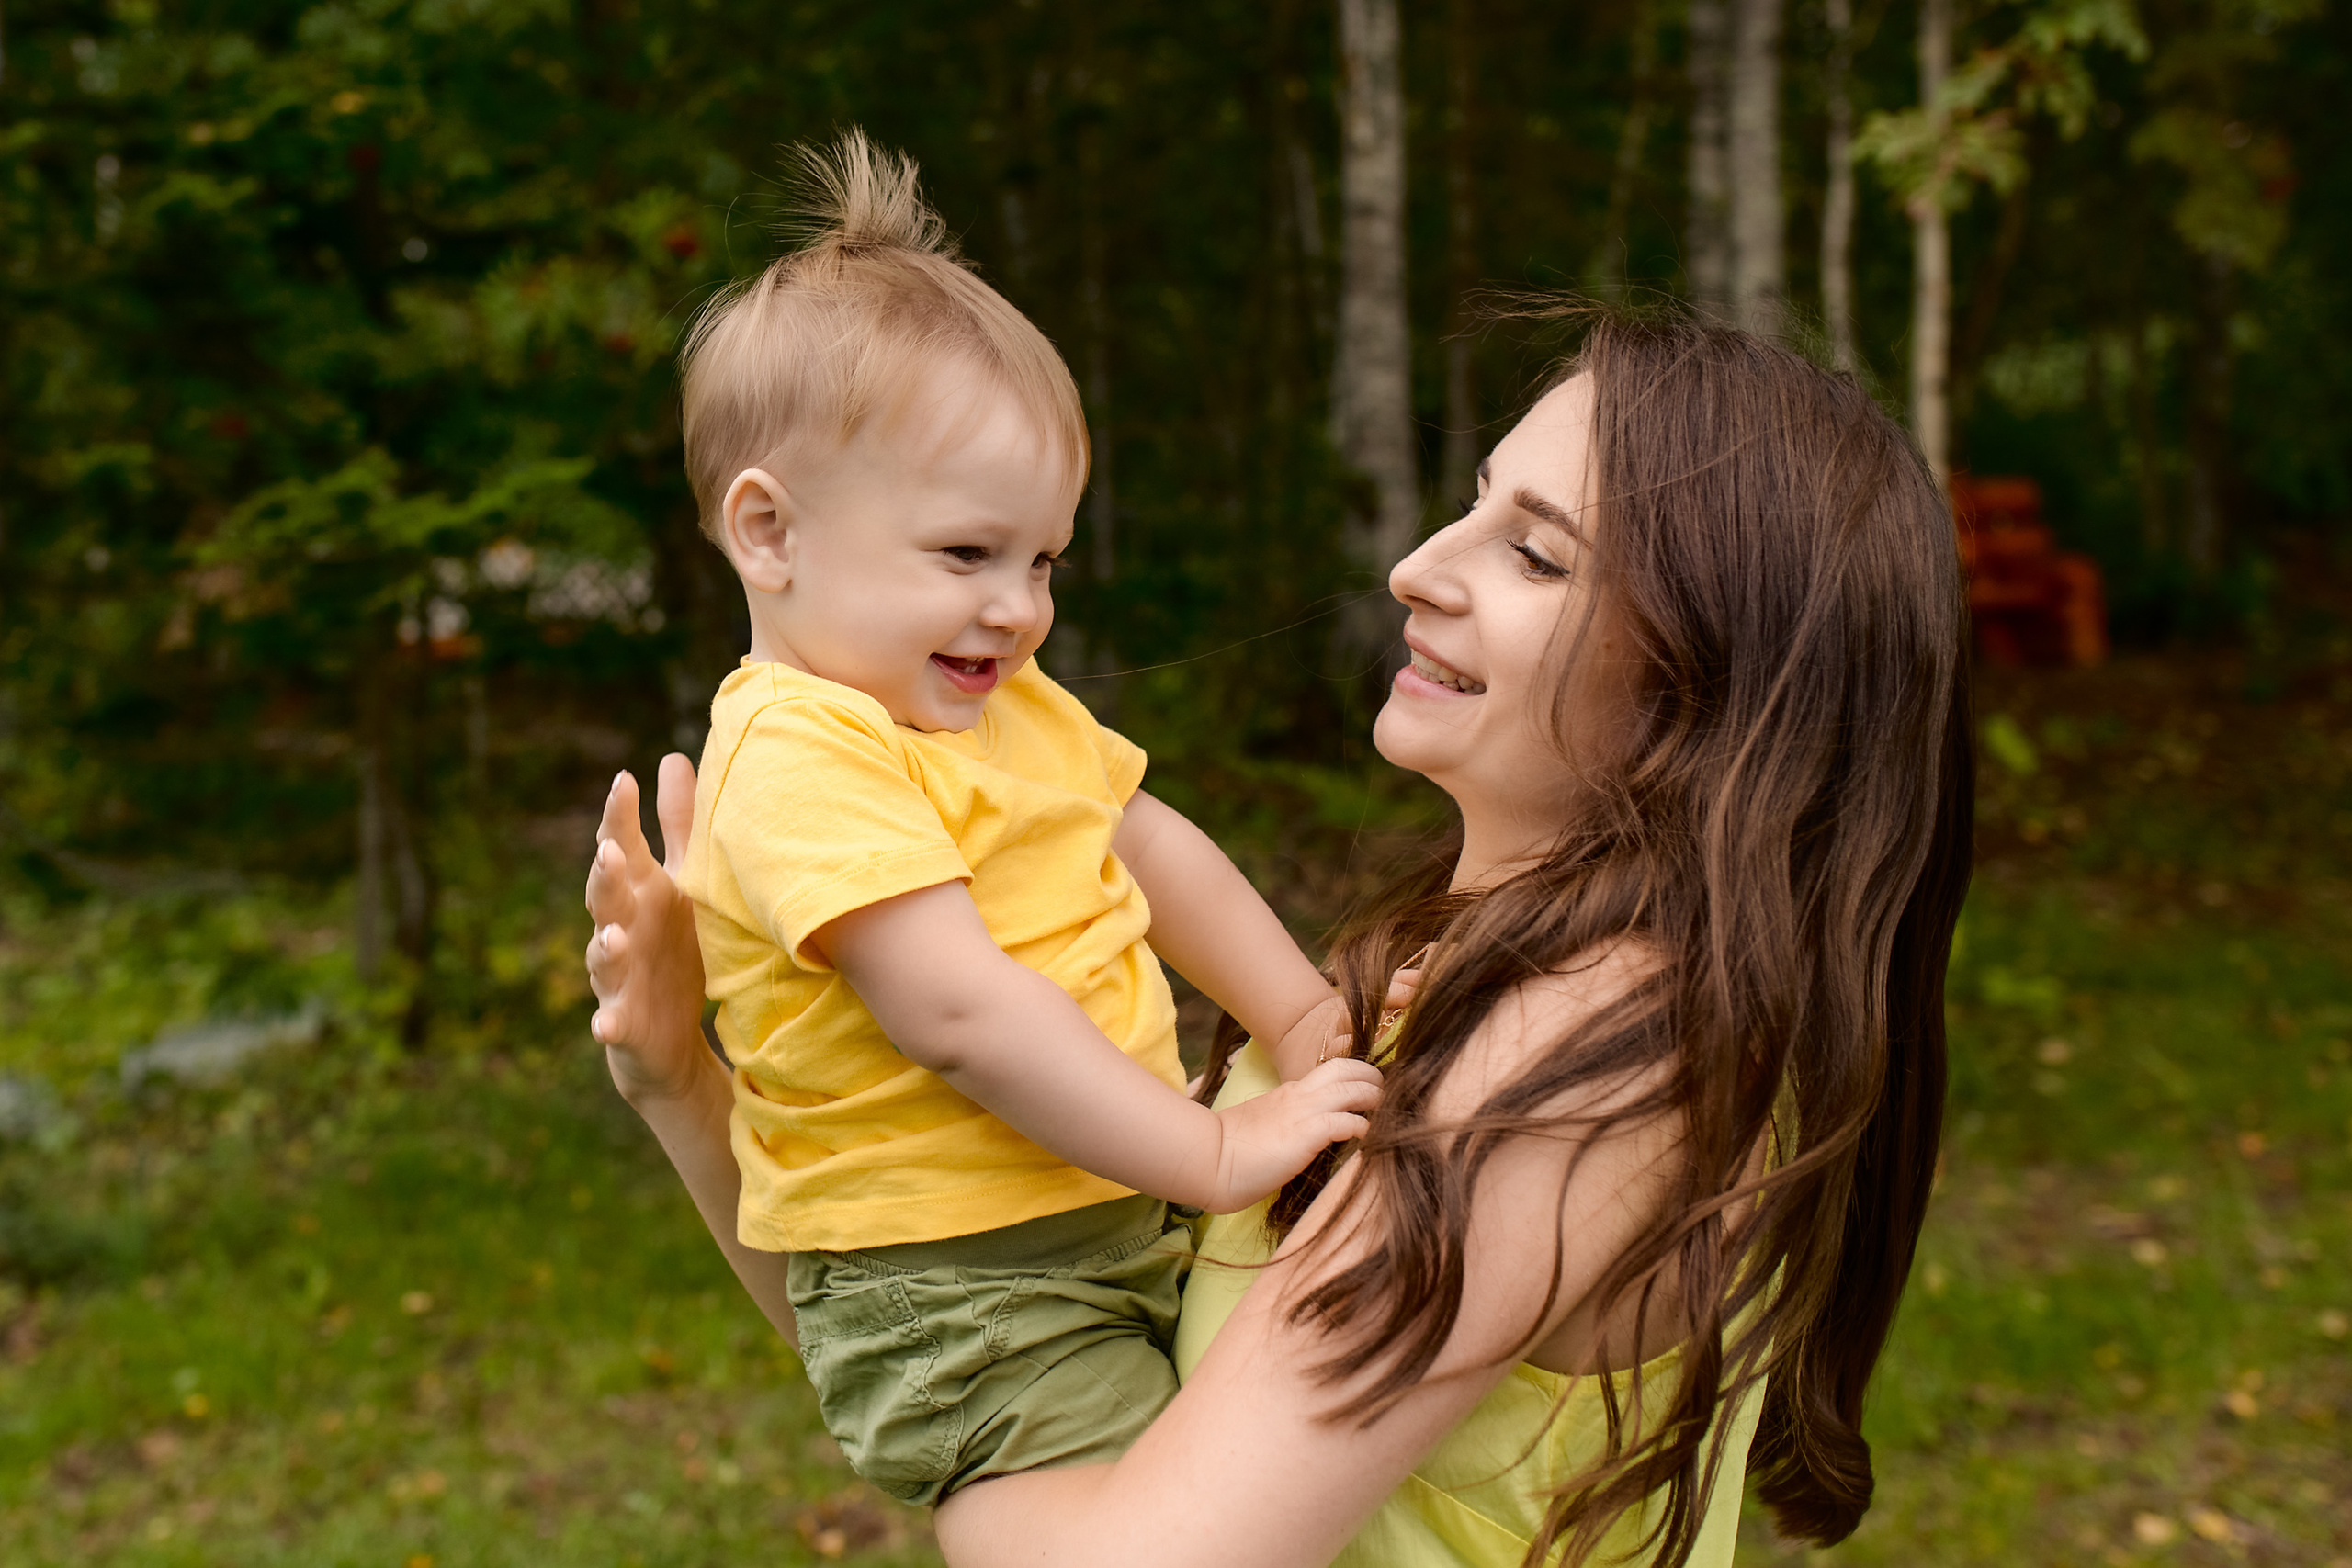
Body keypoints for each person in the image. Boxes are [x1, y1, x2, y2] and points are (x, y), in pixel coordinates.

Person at [585, 312, 1973, 1567]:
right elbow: (961, 1358)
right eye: (1472, 506)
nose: (1417, 566)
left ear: (1708, 679)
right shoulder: (1434, 986)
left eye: (1535, 551)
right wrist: (690, 1085)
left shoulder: (1591, 1053)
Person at [654, 129, 1380, 1509]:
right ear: (769, 533)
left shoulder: (1005, 704)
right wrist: (1216, 1151)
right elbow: (961, 1016)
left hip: (1103, 1210)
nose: (1021, 605)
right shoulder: (799, 748)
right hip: (962, 1291)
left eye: (1041, 557)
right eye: (967, 554)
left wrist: (1297, 1016)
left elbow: (1148, 845)